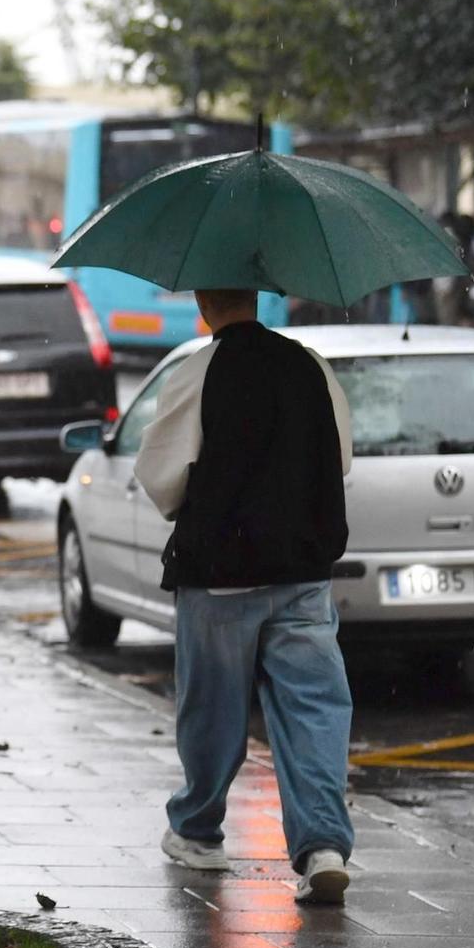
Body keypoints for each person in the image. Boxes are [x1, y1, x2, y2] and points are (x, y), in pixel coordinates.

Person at [134, 289, 356, 906]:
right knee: (314, 711)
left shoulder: (198, 372)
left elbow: (161, 476)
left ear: (204, 300)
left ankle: (199, 831)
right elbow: (338, 459)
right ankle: (323, 848)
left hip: (219, 573)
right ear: (256, 297)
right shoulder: (310, 366)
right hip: (302, 571)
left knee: (212, 711)